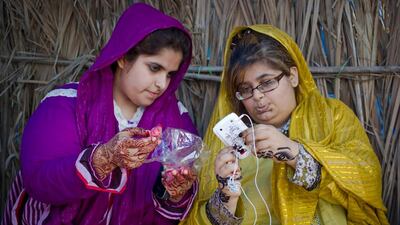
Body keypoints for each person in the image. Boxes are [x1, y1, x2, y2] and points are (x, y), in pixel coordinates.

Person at [2, 3, 199, 225]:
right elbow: (39, 182)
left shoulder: (176, 120)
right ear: (123, 58)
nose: (162, 84)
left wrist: (174, 193)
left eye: (170, 74)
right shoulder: (67, 105)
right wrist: (103, 159)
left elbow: (173, 207)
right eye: (154, 68)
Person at [182, 25, 388, 225]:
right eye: (246, 89)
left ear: (293, 76)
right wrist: (227, 196)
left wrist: (295, 153)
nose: (258, 96)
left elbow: (365, 181)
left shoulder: (332, 117)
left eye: (267, 82)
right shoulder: (231, 145)